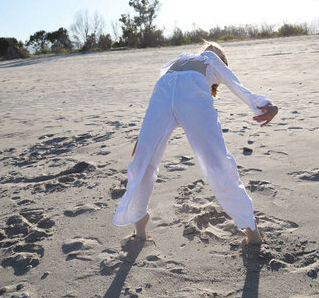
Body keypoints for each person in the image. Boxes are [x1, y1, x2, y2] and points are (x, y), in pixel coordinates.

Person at [112, 41, 278, 245]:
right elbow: (155, 103)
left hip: (194, 99)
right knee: (142, 160)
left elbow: (236, 85)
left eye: (217, 49)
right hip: (163, 95)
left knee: (217, 163)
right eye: (209, 47)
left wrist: (265, 104)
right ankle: (139, 223)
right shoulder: (182, 58)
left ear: (221, 59)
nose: (211, 48)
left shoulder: (212, 62)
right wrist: (143, 137)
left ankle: (250, 227)